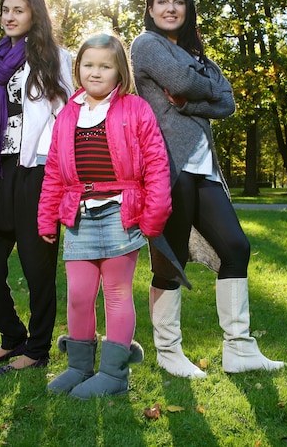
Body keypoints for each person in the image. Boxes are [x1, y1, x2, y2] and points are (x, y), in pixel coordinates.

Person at [131, 0, 285, 378]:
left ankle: (239, 349)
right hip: (170, 165)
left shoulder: (195, 51)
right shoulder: (146, 45)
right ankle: (168, 350)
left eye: (178, 2)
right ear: (150, 9)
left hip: (205, 169)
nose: (170, 8)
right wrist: (200, 89)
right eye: (162, 1)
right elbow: (184, 82)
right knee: (172, 256)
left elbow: (227, 101)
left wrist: (187, 100)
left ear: (187, 9)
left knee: (236, 246)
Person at [38, 33, 172, 399]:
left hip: (121, 212)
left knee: (116, 293)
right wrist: (47, 218)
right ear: (78, 68)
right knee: (79, 295)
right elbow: (54, 171)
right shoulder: (67, 114)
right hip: (78, 215)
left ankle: (114, 374)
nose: (95, 72)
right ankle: (79, 367)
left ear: (119, 72)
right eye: (88, 65)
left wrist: (154, 215)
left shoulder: (135, 109)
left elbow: (157, 164)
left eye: (105, 66)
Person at [0, 0, 73, 375]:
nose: (9, 17)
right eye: (5, 10)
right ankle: (13, 337)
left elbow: (66, 118)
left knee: (37, 267)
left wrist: (46, 165)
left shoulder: (56, 57)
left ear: (35, 14)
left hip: (35, 174)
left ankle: (38, 348)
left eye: (18, 10)